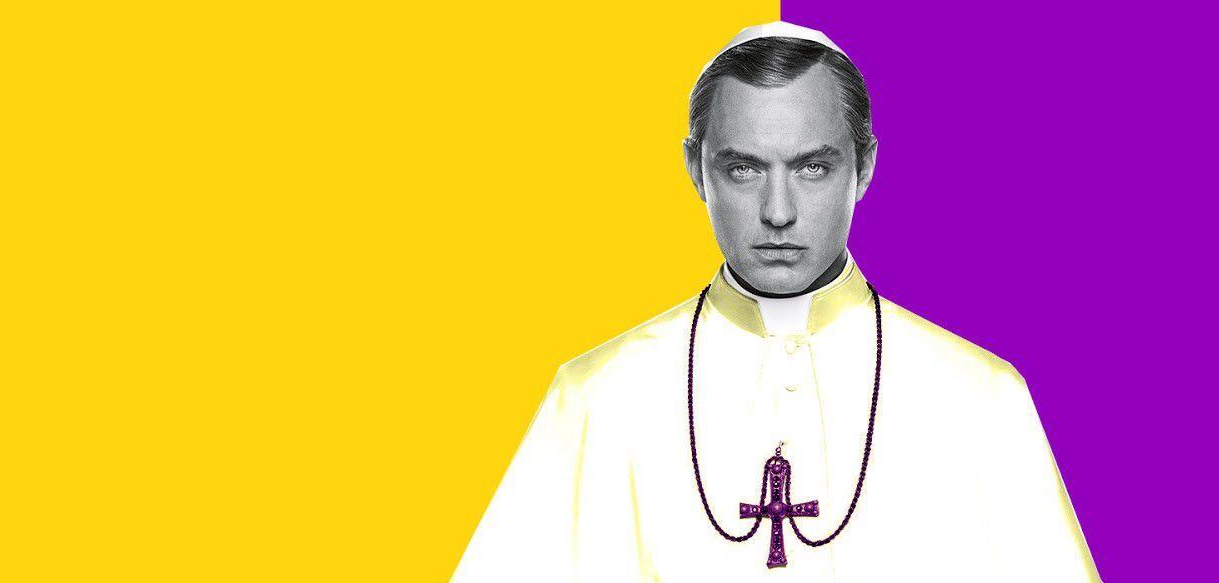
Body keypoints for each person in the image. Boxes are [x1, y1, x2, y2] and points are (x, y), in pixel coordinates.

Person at [453, 21, 1101, 582]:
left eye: (812, 167)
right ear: (695, 169)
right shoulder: (595, 397)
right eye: (744, 168)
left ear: (864, 168)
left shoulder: (981, 399)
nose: (779, 212)